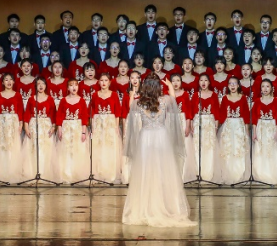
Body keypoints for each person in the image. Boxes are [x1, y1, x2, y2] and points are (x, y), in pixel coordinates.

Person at [121, 76, 196, 227]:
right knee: (162, 170)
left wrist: (133, 94)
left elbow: (130, 108)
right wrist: (170, 86)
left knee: (146, 171)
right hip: (161, 137)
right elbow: (174, 100)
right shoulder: (166, 100)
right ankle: (166, 205)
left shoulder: (138, 102)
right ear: (158, 87)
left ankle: (145, 206)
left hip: (146, 138)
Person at [89, 73, 126, 183]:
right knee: (99, 147)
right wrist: (93, 127)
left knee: (110, 147)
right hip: (98, 123)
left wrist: (116, 126)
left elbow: (117, 112)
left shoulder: (114, 95)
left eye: (106, 80)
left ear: (109, 82)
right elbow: (92, 112)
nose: (104, 82)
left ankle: (110, 174)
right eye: (101, 80)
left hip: (110, 124)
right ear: (98, 82)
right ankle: (99, 173)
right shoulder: (94, 95)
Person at [0, 74, 25, 183]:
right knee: (1, 146)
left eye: (11, 79)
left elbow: (20, 111)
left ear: (14, 82)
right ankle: (2, 172)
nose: (9, 82)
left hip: (13, 123)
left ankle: (12, 171)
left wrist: (21, 124)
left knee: (13, 146)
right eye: (6, 80)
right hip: (1, 123)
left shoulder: (18, 95)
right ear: (2, 82)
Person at [250, 80, 277, 184]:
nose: (265, 89)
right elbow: (254, 118)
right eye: (263, 86)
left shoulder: (276, 100)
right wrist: (254, 132)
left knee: (272, 151)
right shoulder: (257, 101)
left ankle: (272, 173)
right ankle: (260, 174)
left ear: (271, 88)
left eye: (267, 86)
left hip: (271, 128)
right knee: (260, 150)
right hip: (261, 128)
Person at [22, 77, 57, 182]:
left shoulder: (50, 99)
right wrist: (26, 127)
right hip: (34, 125)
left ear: (46, 86)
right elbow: (27, 114)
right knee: (34, 149)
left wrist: (53, 127)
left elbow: (53, 114)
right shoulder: (31, 99)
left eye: (43, 84)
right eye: (38, 84)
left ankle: (45, 172)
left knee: (46, 149)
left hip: (46, 126)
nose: (41, 86)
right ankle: (33, 172)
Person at [56, 80, 91, 183]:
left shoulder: (81, 100)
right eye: (71, 85)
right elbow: (59, 115)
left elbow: (84, 117)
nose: (74, 87)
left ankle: (77, 173)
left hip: (77, 128)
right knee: (66, 150)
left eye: (76, 85)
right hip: (66, 127)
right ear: (68, 88)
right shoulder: (63, 100)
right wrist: (59, 130)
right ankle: (67, 174)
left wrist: (83, 132)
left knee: (78, 150)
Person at [218, 78, 251, 184]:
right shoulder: (225, 98)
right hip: (228, 126)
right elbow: (222, 114)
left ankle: (239, 174)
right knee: (227, 149)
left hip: (239, 126)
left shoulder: (243, 98)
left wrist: (246, 129)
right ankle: (228, 173)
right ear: (228, 86)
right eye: (230, 84)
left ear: (238, 85)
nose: (232, 85)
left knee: (239, 148)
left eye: (234, 83)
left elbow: (246, 114)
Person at [191, 74, 222, 182]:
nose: (203, 82)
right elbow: (192, 111)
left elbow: (217, 112)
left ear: (209, 82)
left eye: (206, 80)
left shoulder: (214, 95)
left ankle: (208, 173)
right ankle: (198, 172)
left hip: (209, 123)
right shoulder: (195, 95)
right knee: (197, 147)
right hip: (197, 122)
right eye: (201, 80)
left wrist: (216, 127)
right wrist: (191, 125)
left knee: (209, 147)